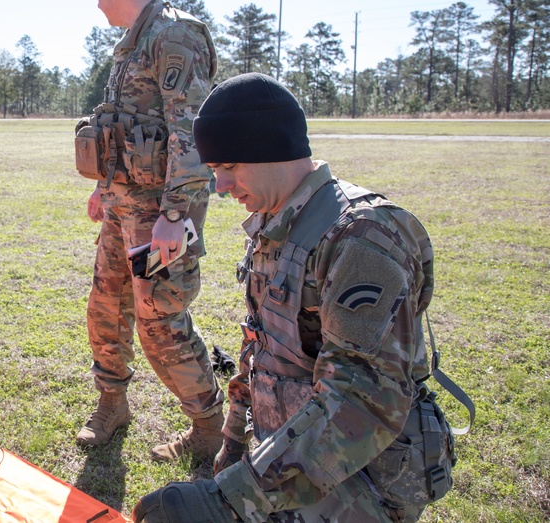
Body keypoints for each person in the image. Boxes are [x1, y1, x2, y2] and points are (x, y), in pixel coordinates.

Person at [133, 73, 457, 522]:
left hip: (364, 474)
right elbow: (260, 348)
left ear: (271, 150)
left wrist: (231, 499)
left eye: (229, 168)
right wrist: (233, 451)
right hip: (292, 457)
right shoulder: (275, 221)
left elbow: (362, 401)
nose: (221, 188)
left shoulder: (363, 239)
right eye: (213, 173)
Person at [74, 0, 225, 464]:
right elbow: (123, 125)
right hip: (123, 208)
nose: (95, 5)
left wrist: (174, 215)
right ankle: (111, 402)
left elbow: (192, 131)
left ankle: (209, 426)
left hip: (161, 216)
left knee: (160, 318)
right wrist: (102, 186)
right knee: (105, 304)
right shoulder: (132, 44)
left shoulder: (174, 36)